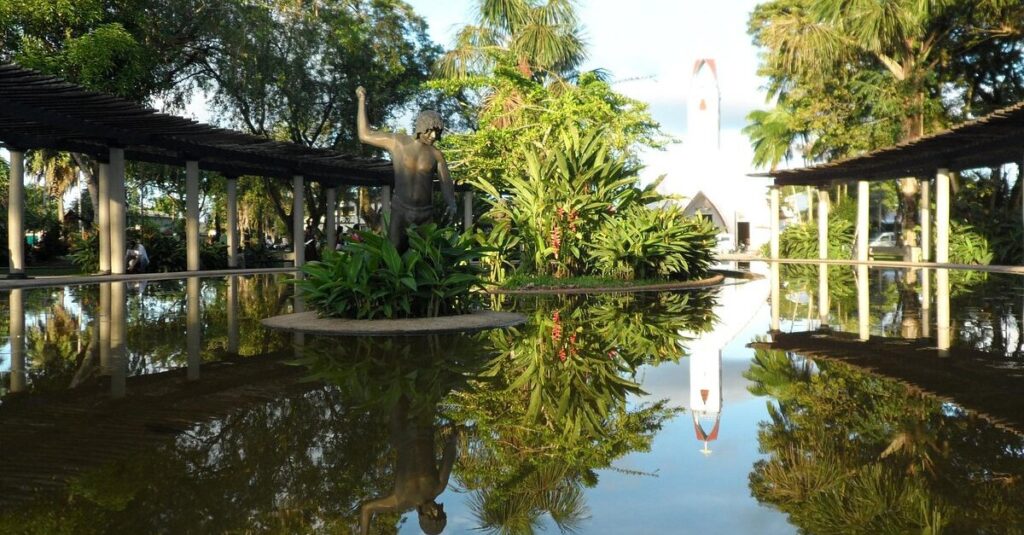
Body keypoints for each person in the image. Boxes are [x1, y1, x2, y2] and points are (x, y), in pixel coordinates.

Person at [356, 85, 457, 252]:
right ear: (421, 128)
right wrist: (361, 100)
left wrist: (451, 203)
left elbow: (446, 182)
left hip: (425, 214)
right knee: (393, 253)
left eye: (437, 133)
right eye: (431, 131)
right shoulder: (398, 143)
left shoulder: (436, 155)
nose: (434, 136)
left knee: (426, 256)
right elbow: (364, 135)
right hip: (401, 210)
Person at [359, 396, 459, 535]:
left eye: (432, 515)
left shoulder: (399, 500)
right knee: (423, 388)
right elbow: (448, 457)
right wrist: (453, 442)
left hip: (401, 431)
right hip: (424, 427)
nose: (436, 510)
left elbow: (366, 509)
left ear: (422, 517)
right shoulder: (438, 487)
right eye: (440, 513)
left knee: (395, 391)